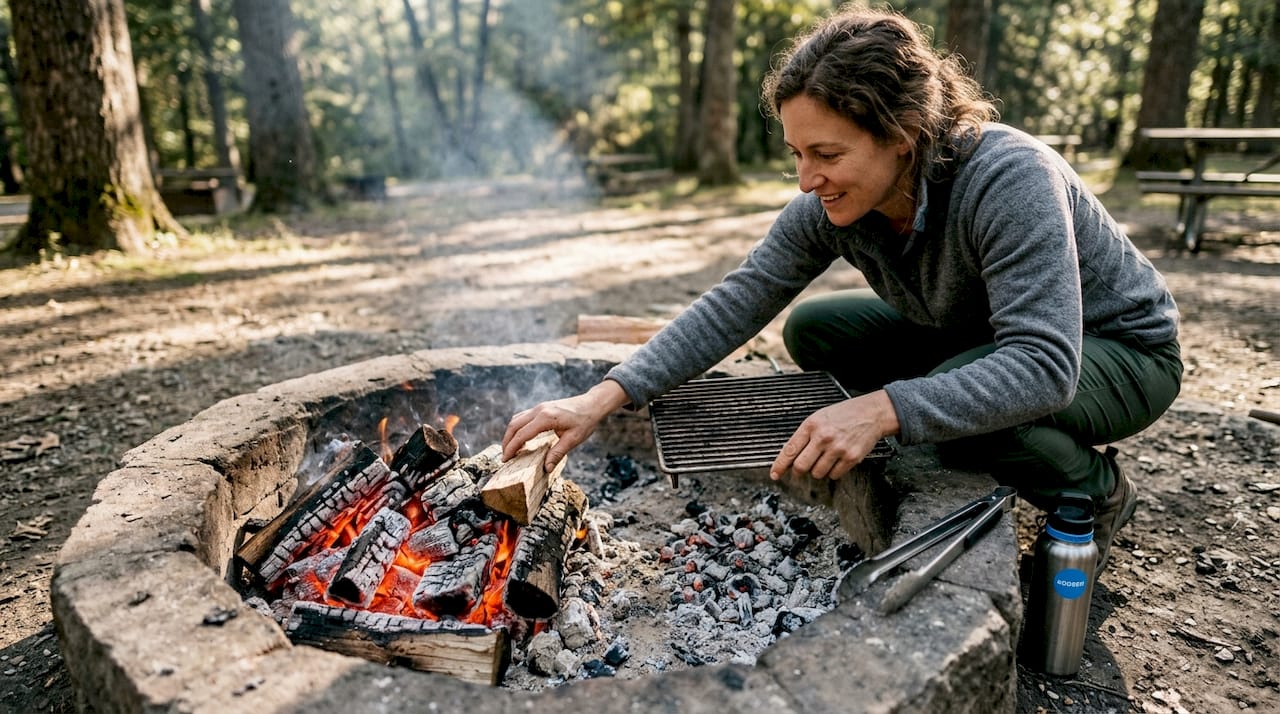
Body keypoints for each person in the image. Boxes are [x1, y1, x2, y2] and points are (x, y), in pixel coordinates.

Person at [503, 5, 1182, 577]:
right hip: (981, 333)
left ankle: (1098, 491)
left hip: (1117, 352)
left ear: (904, 137)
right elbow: (741, 296)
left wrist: (886, 410)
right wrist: (604, 396)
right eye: (797, 154)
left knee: (962, 422)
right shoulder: (834, 206)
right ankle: (939, 405)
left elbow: (1043, 366)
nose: (806, 179)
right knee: (813, 330)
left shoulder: (1011, 179)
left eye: (827, 155)